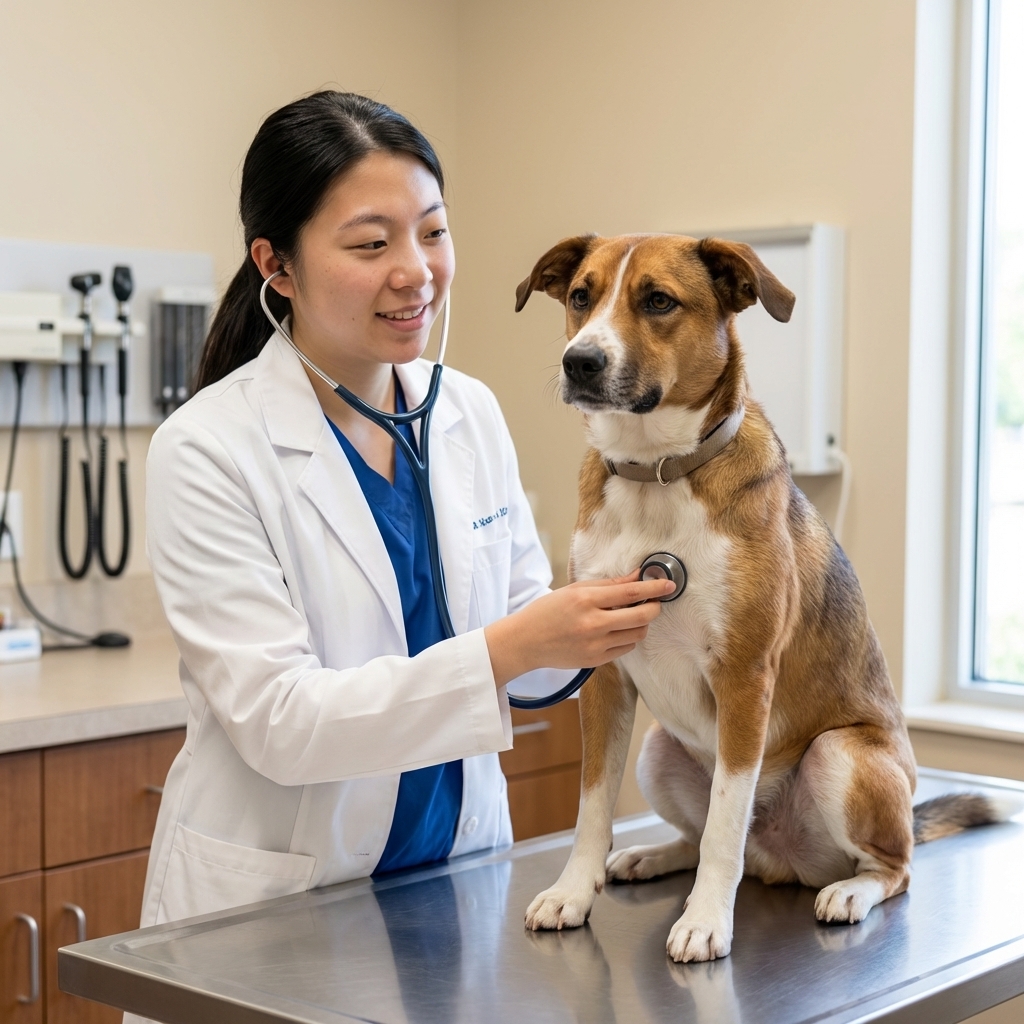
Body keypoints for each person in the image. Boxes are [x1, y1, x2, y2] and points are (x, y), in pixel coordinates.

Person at [137, 91, 673, 936]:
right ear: (277, 264)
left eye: (432, 231)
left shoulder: (466, 413)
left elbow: (531, 653)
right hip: (277, 908)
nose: (415, 270)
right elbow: (280, 723)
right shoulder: (206, 448)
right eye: (370, 243)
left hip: (455, 878)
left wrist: (605, 617)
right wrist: (514, 645)